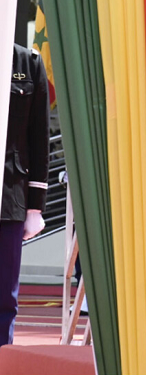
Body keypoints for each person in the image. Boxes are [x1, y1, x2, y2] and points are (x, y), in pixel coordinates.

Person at [2, 44, 50, 347]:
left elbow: (38, 136)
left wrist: (36, 207)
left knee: (5, 296)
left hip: (10, 197)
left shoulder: (28, 61)